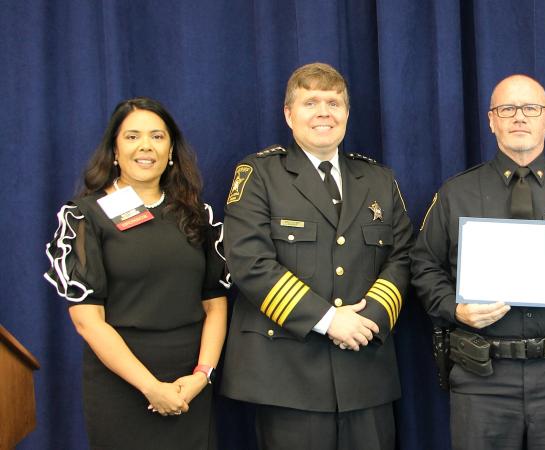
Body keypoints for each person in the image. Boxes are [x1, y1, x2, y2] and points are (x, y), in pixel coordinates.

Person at [410, 74, 545, 450]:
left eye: (530, 108)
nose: (519, 117)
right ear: (491, 120)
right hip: (482, 375)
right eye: (507, 109)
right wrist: (455, 309)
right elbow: (423, 266)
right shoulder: (455, 194)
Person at [220, 62, 413, 450]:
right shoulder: (258, 174)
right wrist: (329, 320)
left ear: (347, 113)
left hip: (365, 371)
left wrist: (368, 321)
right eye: (310, 103)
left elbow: (403, 256)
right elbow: (249, 262)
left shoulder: (379, 179)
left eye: (333, 103)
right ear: (288, 114)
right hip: (287, 377)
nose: (324, 112)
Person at [43, 97, 229, 449]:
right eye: (132, 136)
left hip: (189, 384)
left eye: (157, 136)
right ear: (114, 150)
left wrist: (201, 376)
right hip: (122, 386)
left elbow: (215, 305)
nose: (146, 146)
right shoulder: (86, 216)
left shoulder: (197, 215)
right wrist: (150, 387)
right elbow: (87, 321)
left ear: (171, 150)